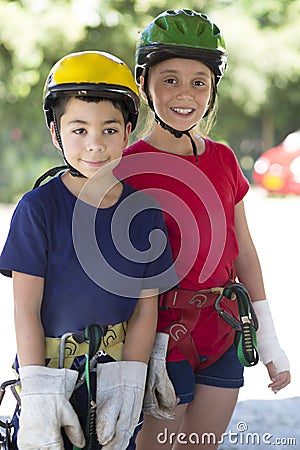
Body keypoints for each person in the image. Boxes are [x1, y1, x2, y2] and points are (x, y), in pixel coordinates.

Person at [114, 9, 291, 450]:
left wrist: (268, 340)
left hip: (223, 334)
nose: (184, 93)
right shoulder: (123, 168)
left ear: (213, 91)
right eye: (169, 78)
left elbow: (244, 252)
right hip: (158, 341)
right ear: (144, 82)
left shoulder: (225, 159)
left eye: (199, 81)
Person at [0, 51, 177, 450]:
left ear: (128, 131)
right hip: (52, 375)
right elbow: (25, 307)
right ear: (55, 133)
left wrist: (131, 378)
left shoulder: (144, 213)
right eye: (79, 130)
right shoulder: (38, 209)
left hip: (115, 376)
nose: (95, 144)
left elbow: (146, 306)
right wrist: (39, 390)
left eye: (110, 130)